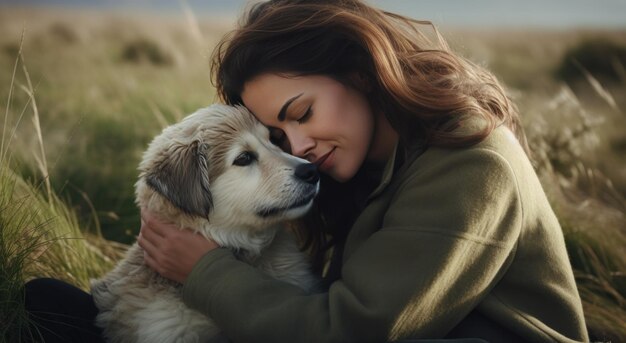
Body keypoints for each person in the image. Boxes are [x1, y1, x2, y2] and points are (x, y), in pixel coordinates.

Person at [24, 0, 588, 342]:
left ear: (362, 72)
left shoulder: (470, 165)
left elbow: (351, 332)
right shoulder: (372, 157)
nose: (297, 149)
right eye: (277, 136)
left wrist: (205, 272)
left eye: (302, 114)